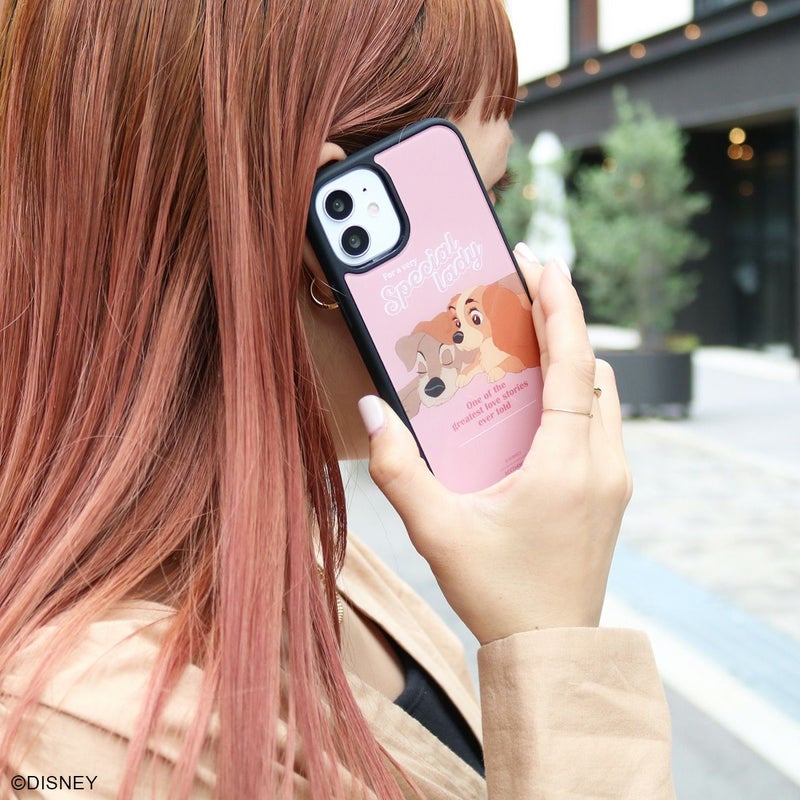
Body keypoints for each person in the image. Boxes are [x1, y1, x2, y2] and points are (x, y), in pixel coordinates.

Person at [0, 1, 675, 798]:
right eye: (483, 198)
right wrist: (555, 640)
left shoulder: (312, 551)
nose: (504, 269)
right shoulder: (80, 743)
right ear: (318, 231)